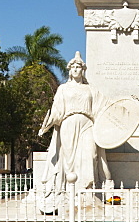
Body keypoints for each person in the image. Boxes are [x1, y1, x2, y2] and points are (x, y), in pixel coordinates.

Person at [38, 52, 112, 211]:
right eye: (74, 67)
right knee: (69, 160)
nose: (77, 70)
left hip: (87, 124)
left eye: (79, 67)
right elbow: (57, 111)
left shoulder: (91, 90)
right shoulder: (63, 89)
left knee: (91, 155)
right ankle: (70, 194)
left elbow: (103, 107)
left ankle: (88, 192)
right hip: (68, 124)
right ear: (70, 70)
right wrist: (48, 124)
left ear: (83, 70)